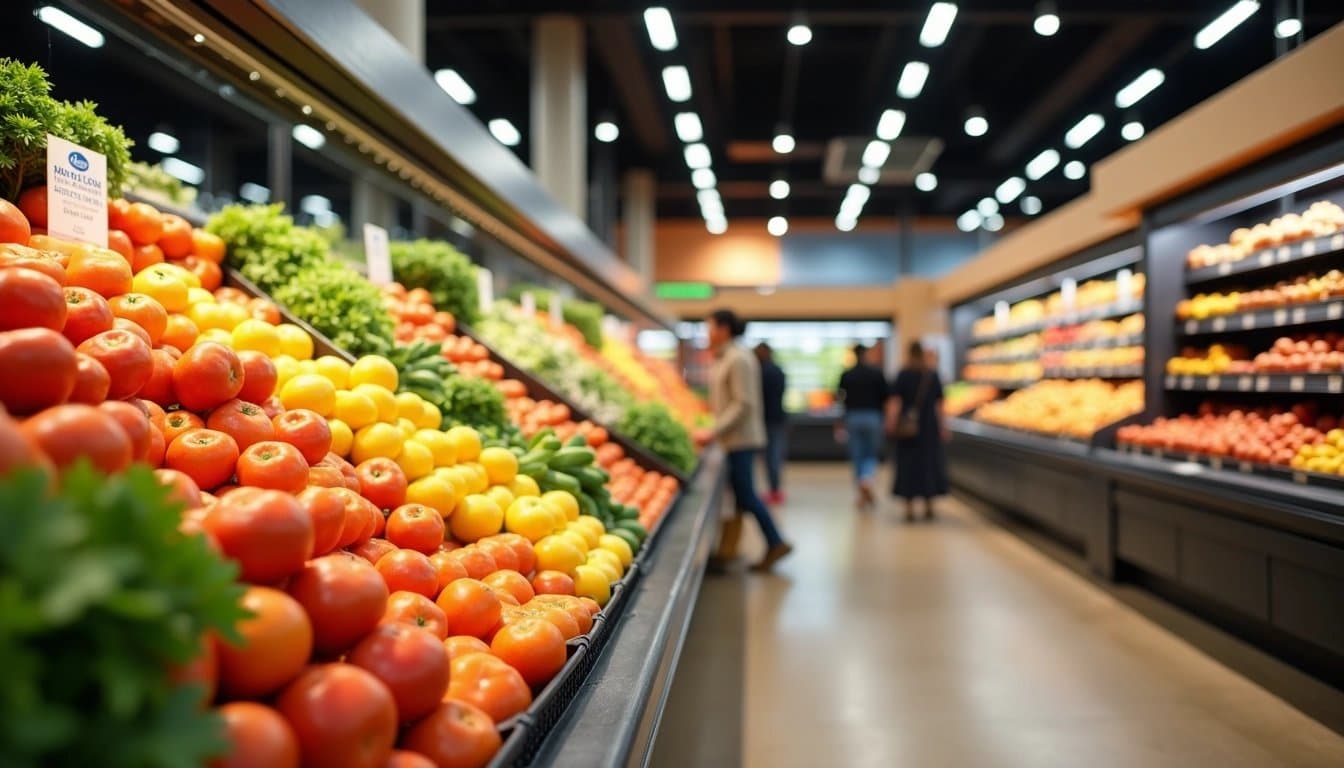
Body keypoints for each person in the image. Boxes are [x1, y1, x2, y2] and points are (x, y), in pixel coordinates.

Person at [698, 309, 794, 572]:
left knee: (746, 494)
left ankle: (776, 541)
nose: (706, 333)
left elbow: (744, 403)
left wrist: (715, 429)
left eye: (710, 327)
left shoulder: (738, 359)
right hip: (733, 438)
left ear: (723, 329)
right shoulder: (725, 357)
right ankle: (728, 551)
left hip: (740, 439)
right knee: (739, 498)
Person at [885, 340, 949, 521]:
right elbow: (939, 405)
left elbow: (895, 403)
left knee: (908, 466)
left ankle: (909, 507)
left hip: (907, 430)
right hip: (928, 428)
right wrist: (943, 427)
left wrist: (891, 423)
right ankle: (929, 504)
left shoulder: (903, 374)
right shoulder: (932, 375)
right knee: (928, 465)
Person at [835, 343, 888, 510]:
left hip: (853, 417)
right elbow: (885, 397)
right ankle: (867, 479)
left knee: (857, 455)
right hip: (873, 417)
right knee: (870, 454)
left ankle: (860, 491)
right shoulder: (876, 373)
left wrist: (841, 419)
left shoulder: (847, 374)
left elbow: (840, 398)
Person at [754, 342, 787, 505]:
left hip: (765, 420)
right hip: (778, 418)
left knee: (768, 457)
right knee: (774, 456)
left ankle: (773, 490)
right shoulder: (778, 371)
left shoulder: (759, 372)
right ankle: (775, 490)